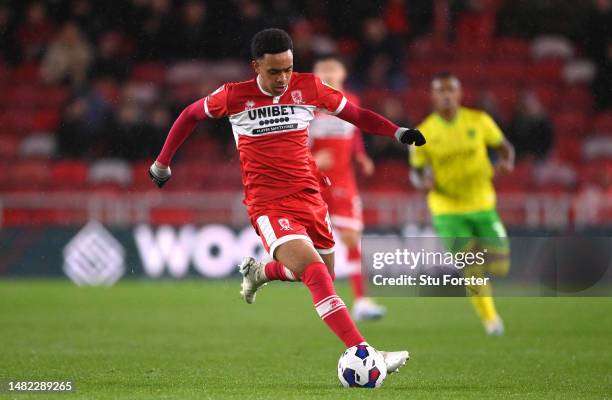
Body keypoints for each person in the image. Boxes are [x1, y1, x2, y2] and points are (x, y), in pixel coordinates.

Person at [149, 28, 425, 372]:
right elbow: (189, 115)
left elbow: (355, 115)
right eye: (274, 71)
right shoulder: (233, 96)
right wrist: (162, 162)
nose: (283, 79)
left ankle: (261, 271)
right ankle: (365, 352)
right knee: (315, 274)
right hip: (269, 204)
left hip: (311, 197)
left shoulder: (308, 88)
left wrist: (398, 132)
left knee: (323, 274)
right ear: (256, 67)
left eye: (288, 69)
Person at [409, 73, 514, 336]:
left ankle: (488, 302)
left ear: (459, 94)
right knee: (471, 263)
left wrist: (507, 163)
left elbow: (505, 148)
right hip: (447, 209)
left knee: (500, 264)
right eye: (440, 90)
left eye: (450, 90)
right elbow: (415, 170)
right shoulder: (423, 132)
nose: (445, 95)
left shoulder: (479, 120)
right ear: (432, 97)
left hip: (482, 202)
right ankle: (490, 319)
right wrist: (422, 183)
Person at [310, 55, 386, 321]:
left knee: (352, 237)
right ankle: (324, 299)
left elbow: (354, 132)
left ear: (342, 73)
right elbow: (292, 144)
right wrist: (312, 160)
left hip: (343, 182)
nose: (329, 73)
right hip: (314, 183)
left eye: (334, 68)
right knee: (312, 247)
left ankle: (361, 301)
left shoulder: (351, 101)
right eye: (324, 69)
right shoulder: (308, 106)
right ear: (317, 75)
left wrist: (361, 156)